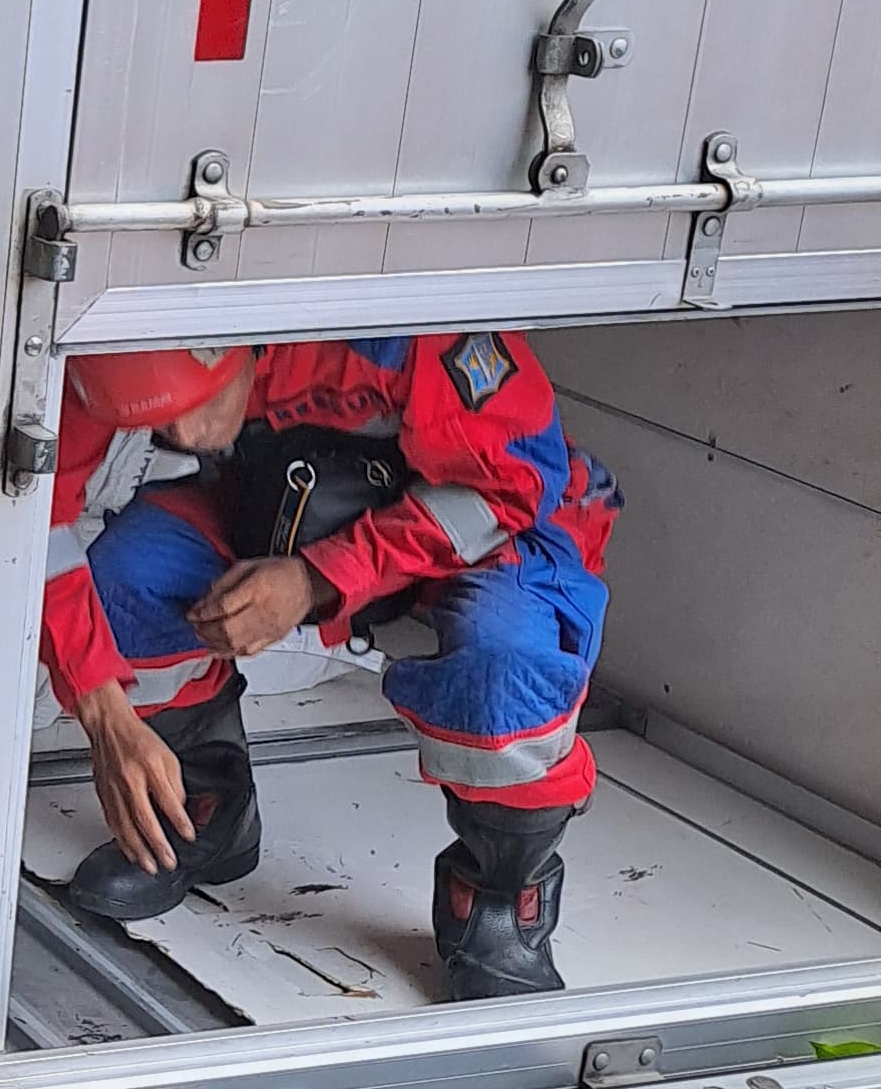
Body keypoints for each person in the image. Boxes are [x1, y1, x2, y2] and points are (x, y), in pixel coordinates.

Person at [42, 334, 622, 997]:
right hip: (290, 512)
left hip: (490, 536)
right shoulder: (110, 352)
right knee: (126, 579)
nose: (180, 433)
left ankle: (495, 899)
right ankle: (201, 811)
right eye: (155, 418)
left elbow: (515, 482)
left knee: (506, 678)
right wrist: (101, 707)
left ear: (237, 346)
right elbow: (39, 517)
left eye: (195, 405)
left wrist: (319, 579)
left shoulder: (400, 333)